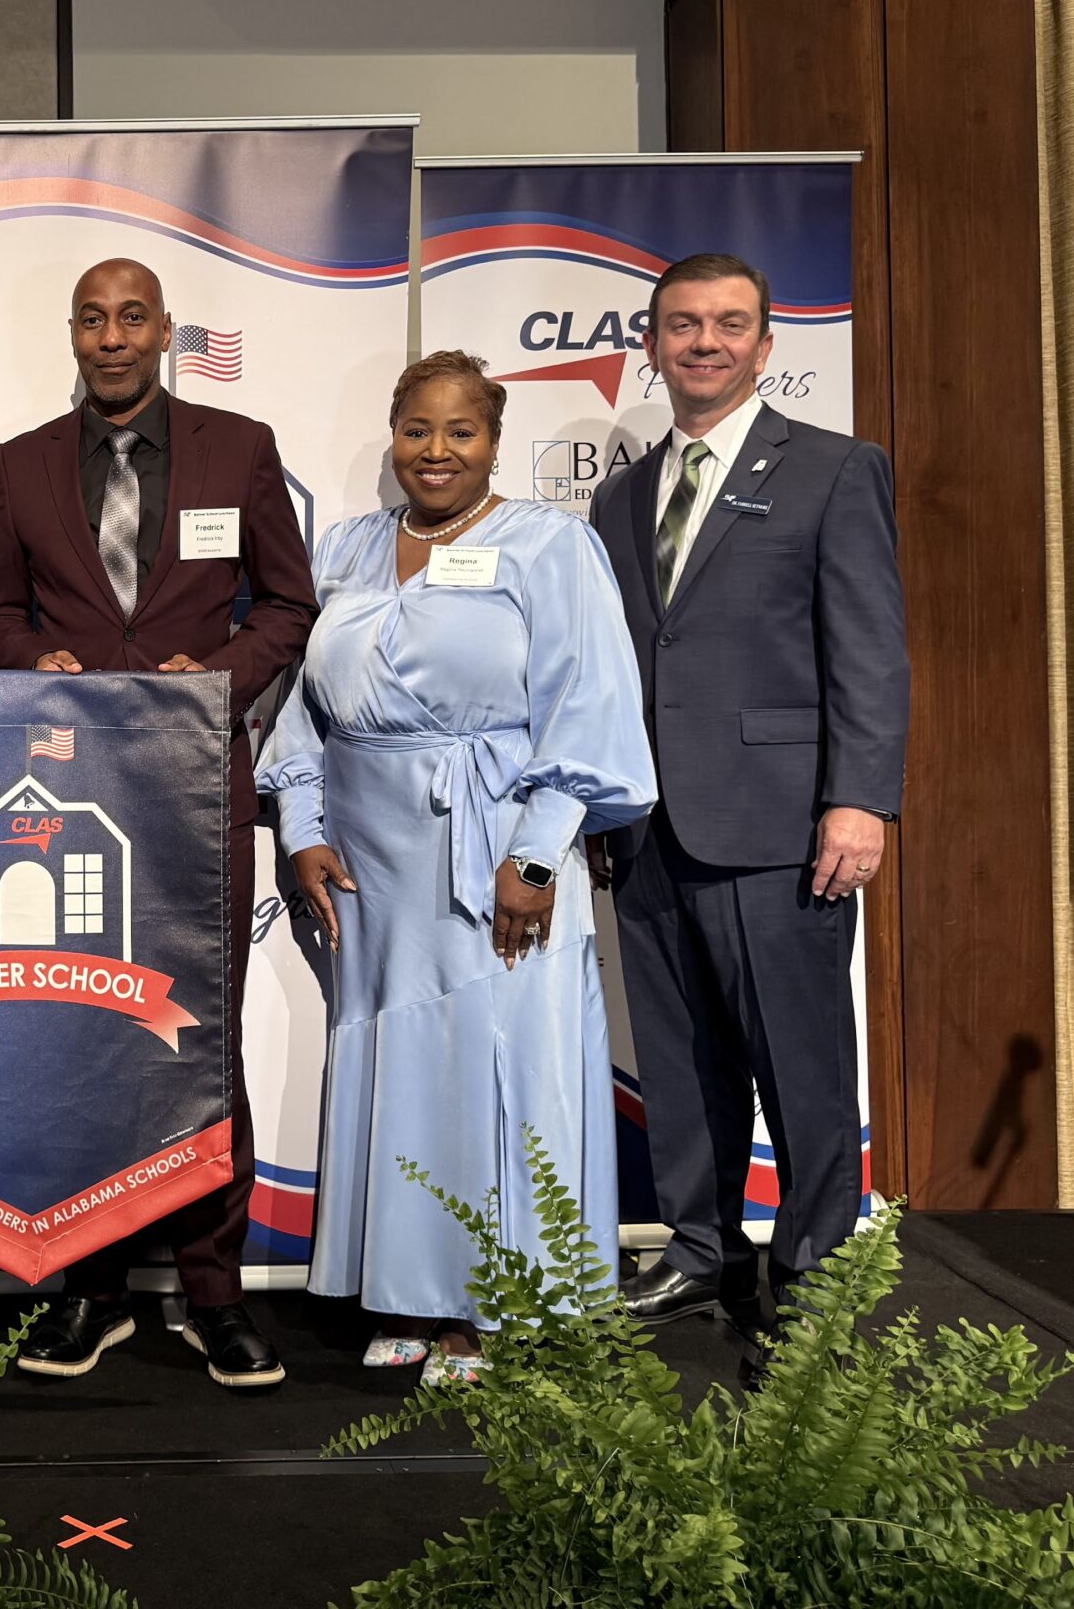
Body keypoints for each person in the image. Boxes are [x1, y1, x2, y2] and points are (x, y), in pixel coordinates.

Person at [258, 351, 655, 1384]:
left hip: (491, 850)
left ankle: (485, 1306)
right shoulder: (343, 547)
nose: (436, 452)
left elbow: (590, 703)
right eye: (416, 430)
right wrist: (302, 823)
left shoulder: (550, 546)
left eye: (461, 432)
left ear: (494, 440)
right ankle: (403, 1289)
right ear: (392, 435)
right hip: (369, 861)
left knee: (491, 1069)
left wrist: (535, 853)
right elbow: (301, 706)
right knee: (399, 1074)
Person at [0, 255, 317, 1391]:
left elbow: (287, 604)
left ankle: (212, 1295)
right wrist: (40, 664)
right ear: (69, 333)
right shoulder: (19, 466)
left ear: (165, 329)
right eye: (91, 318)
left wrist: (213, 679)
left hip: (190, 786)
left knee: (197, 1039)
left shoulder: (238, 446)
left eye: (131, 317)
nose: (112, 337)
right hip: (64, 790)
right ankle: (91, 1291)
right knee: (79, 1039)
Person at [586, 251, 908, 1355]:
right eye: (682, 325)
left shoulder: (832, 468)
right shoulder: (620, 494)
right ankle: (698, 1250)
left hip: (782, 825)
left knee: (800, 1061)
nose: (704, 342)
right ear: (653, 343)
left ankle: (813, 1276)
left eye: (728, 325)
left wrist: (858, 800)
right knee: (676, 1062)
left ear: (766, 347)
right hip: (644, 823)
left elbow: (869, 650)